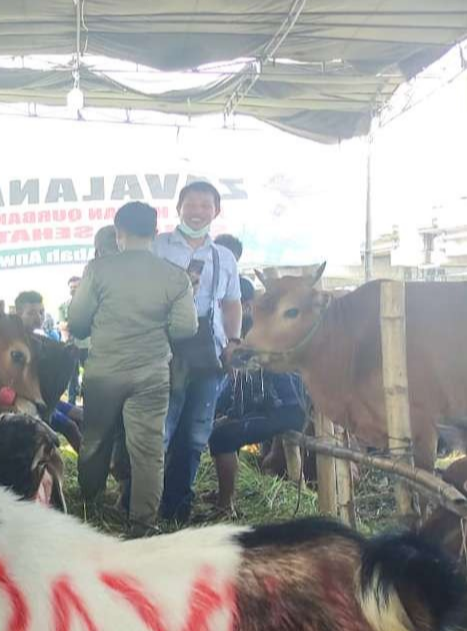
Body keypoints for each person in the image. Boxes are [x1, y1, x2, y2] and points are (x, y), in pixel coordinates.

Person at [67, 202, 197, 525]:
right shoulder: (175, 276)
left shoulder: (98, 270)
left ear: (118, 232)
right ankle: (143, 524)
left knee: (95, 440)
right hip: (152, 373)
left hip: (103, 373)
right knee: (149, 452)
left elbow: (78, 322)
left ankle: (89, 507)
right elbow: (185, 329)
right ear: (155, 233)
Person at [152, 181, 243, 523]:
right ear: (178, 207)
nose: (198, 211)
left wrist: (233, 342)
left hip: (208, 354)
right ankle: (146, 503)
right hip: (164, 350)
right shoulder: (158, 248)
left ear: (216, 212)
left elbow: (231, 304)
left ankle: (177, 506)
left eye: (206, 205)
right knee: (161, 429)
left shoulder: (223, 257)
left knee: (194, 435)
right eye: (192, 204)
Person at [207, 369, 307, 518]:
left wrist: (232, 414)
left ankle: (225, 507)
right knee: (224, 430)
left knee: (221, 437)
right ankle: (225, 494)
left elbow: (257, 391)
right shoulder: (260, 352)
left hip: (284, 408)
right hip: (279, 404)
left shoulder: (261, 351)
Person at [58, 275, 89, 402]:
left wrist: (70, 324)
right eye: (71, 287)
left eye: (76, 287)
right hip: (71, 346)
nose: (73, 289)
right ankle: (71, 405)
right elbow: (61, 325)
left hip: (88, 346)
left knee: (89, 378)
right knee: (72, 379)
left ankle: (89, 405)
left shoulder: (89, 304)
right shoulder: (63, 306)